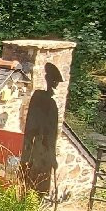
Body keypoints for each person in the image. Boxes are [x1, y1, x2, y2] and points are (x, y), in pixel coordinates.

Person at [20, 62, 62, 194]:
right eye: (54, 81)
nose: (56, 84)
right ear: (49, 80)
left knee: (38, 181)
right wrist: (52, 157)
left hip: (40, 150)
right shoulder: (45, 101)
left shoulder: (44, 100)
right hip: (40, 150)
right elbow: (49, 135)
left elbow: (51, 135)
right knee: (37, 181)